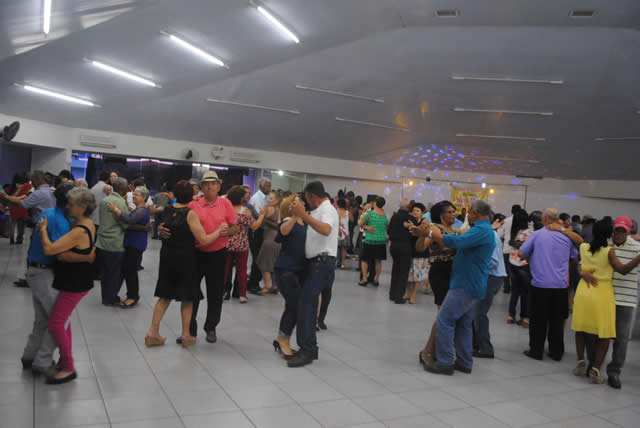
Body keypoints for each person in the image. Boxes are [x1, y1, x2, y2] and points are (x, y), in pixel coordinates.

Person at [145, 180, 226, 348]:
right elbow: (203, 240)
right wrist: (219, 231)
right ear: (191, 196)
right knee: (188, 297)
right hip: (185, 259)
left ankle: (153, 332)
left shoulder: (167, 210)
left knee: (165, 296)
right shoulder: (190, 214)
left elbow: (163, 228)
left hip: (167, 257)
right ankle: (186, 335)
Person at [421, 200, 496, 375]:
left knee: (444, 320)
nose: (465, 215)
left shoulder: (481, 230)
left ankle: (445, 362)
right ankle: (464, 361)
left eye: (468, 212)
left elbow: (458, 241)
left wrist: (431, 234)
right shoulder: (483, 229)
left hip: (466, 283)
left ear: (475, 213)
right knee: (463, 324)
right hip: (469, 282)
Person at [20, 183, 79, 376]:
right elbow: (60, 252)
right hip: (44, 273)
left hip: (36, 270)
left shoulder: (50, 213)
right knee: (58, 320)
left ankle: (30, 355)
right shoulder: (58, 220)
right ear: (70, 202)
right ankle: (42, 361)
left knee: (42, 320)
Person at [39, 187, 97, 384]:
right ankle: (65, 362)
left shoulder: (80, 230)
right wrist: (66, 255)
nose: (67, 207)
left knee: (56, 323)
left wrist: (43, 230)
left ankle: (68, 367)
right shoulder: (87, 223)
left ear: (83, 207)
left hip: (74, 282)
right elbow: (83, 254)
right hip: (75, 280)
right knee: (64, 321)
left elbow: (49, 249)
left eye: (71, 204)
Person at [572, 219, 640, 384]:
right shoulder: (607, 247)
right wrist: (582, 272)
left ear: (629, 232)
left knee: (619, 337)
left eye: (623, 231)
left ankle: (611, 371)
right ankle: (594, 366)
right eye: (617, 230)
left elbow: (581, 257)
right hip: (603, 295)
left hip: (620, 297)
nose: (619, 233)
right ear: (611, 232)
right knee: (598, 333)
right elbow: (622, 269)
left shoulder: (636, 247)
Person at [519, 208, 582, 361]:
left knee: (538, 321)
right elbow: (574, 256)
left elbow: (521, 253)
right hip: (560, 285)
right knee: (557, 321)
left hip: (540, 284)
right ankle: (556, 352)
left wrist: (532, 258)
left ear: (546, 218)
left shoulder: (537, 235)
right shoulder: (566, 236)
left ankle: (536, 351)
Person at [287, 181, 339, 367]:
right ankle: (308, 348)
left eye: (307, 199)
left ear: (313, 197)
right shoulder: (319, 210)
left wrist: (303, 215)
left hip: (321, 263)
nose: (307, 203)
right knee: (306, 306)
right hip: (316, 263)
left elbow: (326, 229)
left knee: (307, 306)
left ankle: (307, 350)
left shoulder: (327, 209)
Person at [187, 171, 238, 343]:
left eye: (213, 183)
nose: (210, 186)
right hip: (195, 253)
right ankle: (190, 329)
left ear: (219, 186)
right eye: (206, 184)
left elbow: (235, 227)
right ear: (202, 187)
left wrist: (228, 231)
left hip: (218, 254)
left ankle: (211, 327)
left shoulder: (225, 203)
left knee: (215, 292)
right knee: (192, 291)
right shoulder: (194, 204)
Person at [416, 200, 459, 365]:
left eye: (454, 211)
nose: (454, 214)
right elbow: (420, 248)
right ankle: (427, 351)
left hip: (453, 272)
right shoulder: (435, 228)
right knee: (443, 315)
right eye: (450, 212)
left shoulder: (454, 230)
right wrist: (421, 235)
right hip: (441, 271)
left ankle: (436, 350)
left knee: (447, 315)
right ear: (441, 215)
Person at [1, 171, 56, 288]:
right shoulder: (50, 190)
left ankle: (31, 279)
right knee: (39, 252)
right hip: (47, 225)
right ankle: (34, 277)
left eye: (33, 180)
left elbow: (22, 204)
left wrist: (5, 197)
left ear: (38, 180)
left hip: (40, 226)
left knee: (33, 254)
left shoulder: (39, 193)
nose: (31, 183)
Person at [272, 195, 307, 359]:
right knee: (295, 306)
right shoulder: (288, 220)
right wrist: (294, 216)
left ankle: (280, 338)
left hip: (297, 270)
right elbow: (283, 231)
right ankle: (283, 340)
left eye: (301, 201)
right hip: (286, 270)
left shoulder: (303, 221)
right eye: (297, 201)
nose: (301, 203)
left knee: (292, 306)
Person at [108, 186, 151, 308]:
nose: (133, 196)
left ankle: (133, 296)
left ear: (144, 197)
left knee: (130, 271)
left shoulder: (142, 210)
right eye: (134, 194)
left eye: (137, 195)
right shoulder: (138, 209)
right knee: (127, 269)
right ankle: (127, 295)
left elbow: (130, 220)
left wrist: (116, 210)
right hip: (132, 243)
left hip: (136, 244)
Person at [224, 185, 266, 303]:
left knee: (225, 270)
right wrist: (262, 215)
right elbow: (255, 226)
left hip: (226, 243)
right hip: (242, 245)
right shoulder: (245, 211)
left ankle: (222, 291)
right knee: (242, 270)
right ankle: (242, 295)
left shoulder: (226, 209)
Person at [473, 215, 508, 358]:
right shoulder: (489, 233)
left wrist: (474, 264)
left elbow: (492, 261)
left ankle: (486, 348)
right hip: (491, 276)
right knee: (476, 312)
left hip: (491, 277)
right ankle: (476, 344)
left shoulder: (489, 235)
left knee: (480, 313)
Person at [96, 177, 130, 306]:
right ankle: (111, 298)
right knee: (114, 273)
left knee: (105, 273)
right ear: (123, 188)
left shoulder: (105, 200)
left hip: (102, 241)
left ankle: (105, 297)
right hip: (115, 242)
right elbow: (125, 224)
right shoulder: (120, 203)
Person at [507, 209, 532, 326]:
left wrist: (516, 243)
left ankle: (511, 315)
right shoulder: (530, 232)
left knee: (515, 291)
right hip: (524, 264)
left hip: (512, 262)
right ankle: (525, 317)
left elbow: (511, 242)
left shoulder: (514, 231)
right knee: (525, 292)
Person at [386, 198, 414, 303]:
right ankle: (399, 297)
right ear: (408, 207)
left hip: (394, 246)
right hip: (405, 246)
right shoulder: (410, 218)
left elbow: (389, 231)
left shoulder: (394, 217)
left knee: (395, 270)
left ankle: (392, 294)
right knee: (403, 272)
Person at [248, 178, 272, 294]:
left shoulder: (266, 197)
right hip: (256, 230)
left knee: (260, 258)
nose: (269, 188)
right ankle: (253, 283)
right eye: (267, 185)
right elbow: (258, 216)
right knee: (257, 258)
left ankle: (254, 282)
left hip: (262, 231)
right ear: (261, 186)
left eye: (270, 185)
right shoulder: (256, 198)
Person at [357, 197, 388, 287]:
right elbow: (387, 226)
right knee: (378, 261)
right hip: (381, 241)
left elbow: (359, 223)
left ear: (375, 203)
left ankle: (364, 279)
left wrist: (366, 227)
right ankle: (376, 279)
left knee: (364, 260)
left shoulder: (370, 214)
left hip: (370, 240)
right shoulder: (384, 215)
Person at [257, 191, 282, 294]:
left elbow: (261, 220)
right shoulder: (279, 209)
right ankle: (275, 285)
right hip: (277, 239)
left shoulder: (269, 209)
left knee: (265, 265)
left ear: (277, 200)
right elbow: (279, 224)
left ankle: (267, 286)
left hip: (269, 240)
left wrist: (262, 215)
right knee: (273, 264)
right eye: (269, 198)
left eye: (271, 198)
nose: (269, 200)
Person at [404, 203, 429, 304]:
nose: (415, 212)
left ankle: (413, 294)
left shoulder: (425, 222)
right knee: (409, 274)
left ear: (422, 213)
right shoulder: (409, 220)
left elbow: (422, 233)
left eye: (417, 211)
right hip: (410, 250)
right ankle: (408, 293)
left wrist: (413, 227)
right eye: (414, 210)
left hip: (420, 251)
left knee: (417, 275)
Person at [497, 204, 522, 293]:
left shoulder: (506, 221)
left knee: (507, 270)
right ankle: (516, 288)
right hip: (518, 250)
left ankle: (506, 287)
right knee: (517, 270)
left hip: (507, 249)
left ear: (512, 211)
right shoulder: (523, 221)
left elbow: (500, 234)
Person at [8, 174, 31, 245]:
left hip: (13, 206)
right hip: (22, 206)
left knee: (13, 223)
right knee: (21, 224)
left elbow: (10, 197)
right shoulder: (27, 186)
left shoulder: (12, 186)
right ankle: (19, 239)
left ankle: (11, 238)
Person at [336, 198, 349, 269]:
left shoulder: (336, 211)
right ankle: (343, 264)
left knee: (337, 248)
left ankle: (337, 262)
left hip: (337, 232)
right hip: (345, 233)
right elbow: (352, 220)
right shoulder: (347, 212)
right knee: (344, 249)